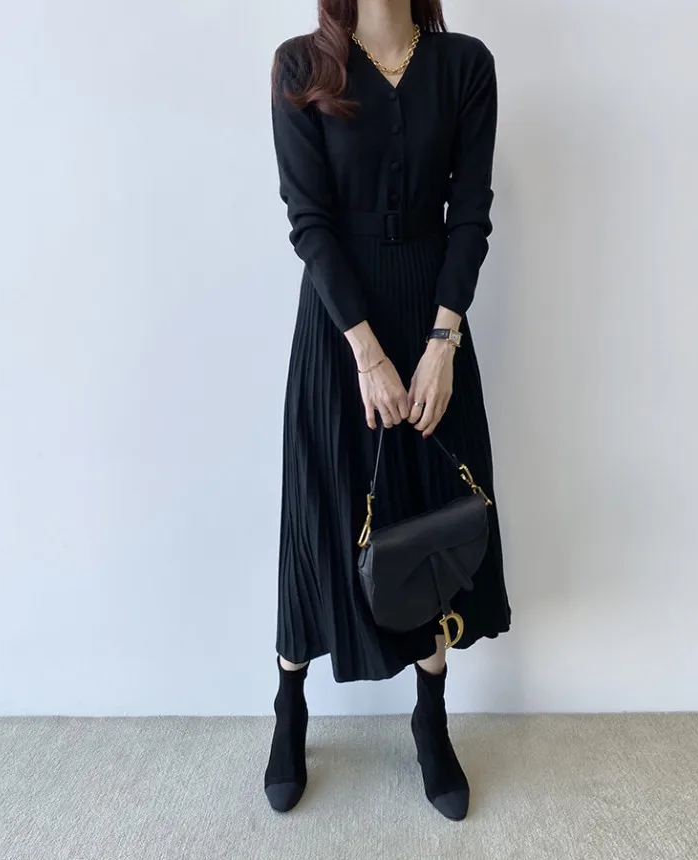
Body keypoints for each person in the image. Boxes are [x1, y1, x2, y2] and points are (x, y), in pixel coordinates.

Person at [265, 0, 511, 820]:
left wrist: (443, 342)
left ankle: (431, 718)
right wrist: (367, 353)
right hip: (341, 328)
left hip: (433, 320)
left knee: (431, 518)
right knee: (321, 520)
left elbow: (469, 213)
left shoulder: (465, 65)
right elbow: (309, 222)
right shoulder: (302, 65)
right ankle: (289, 705)